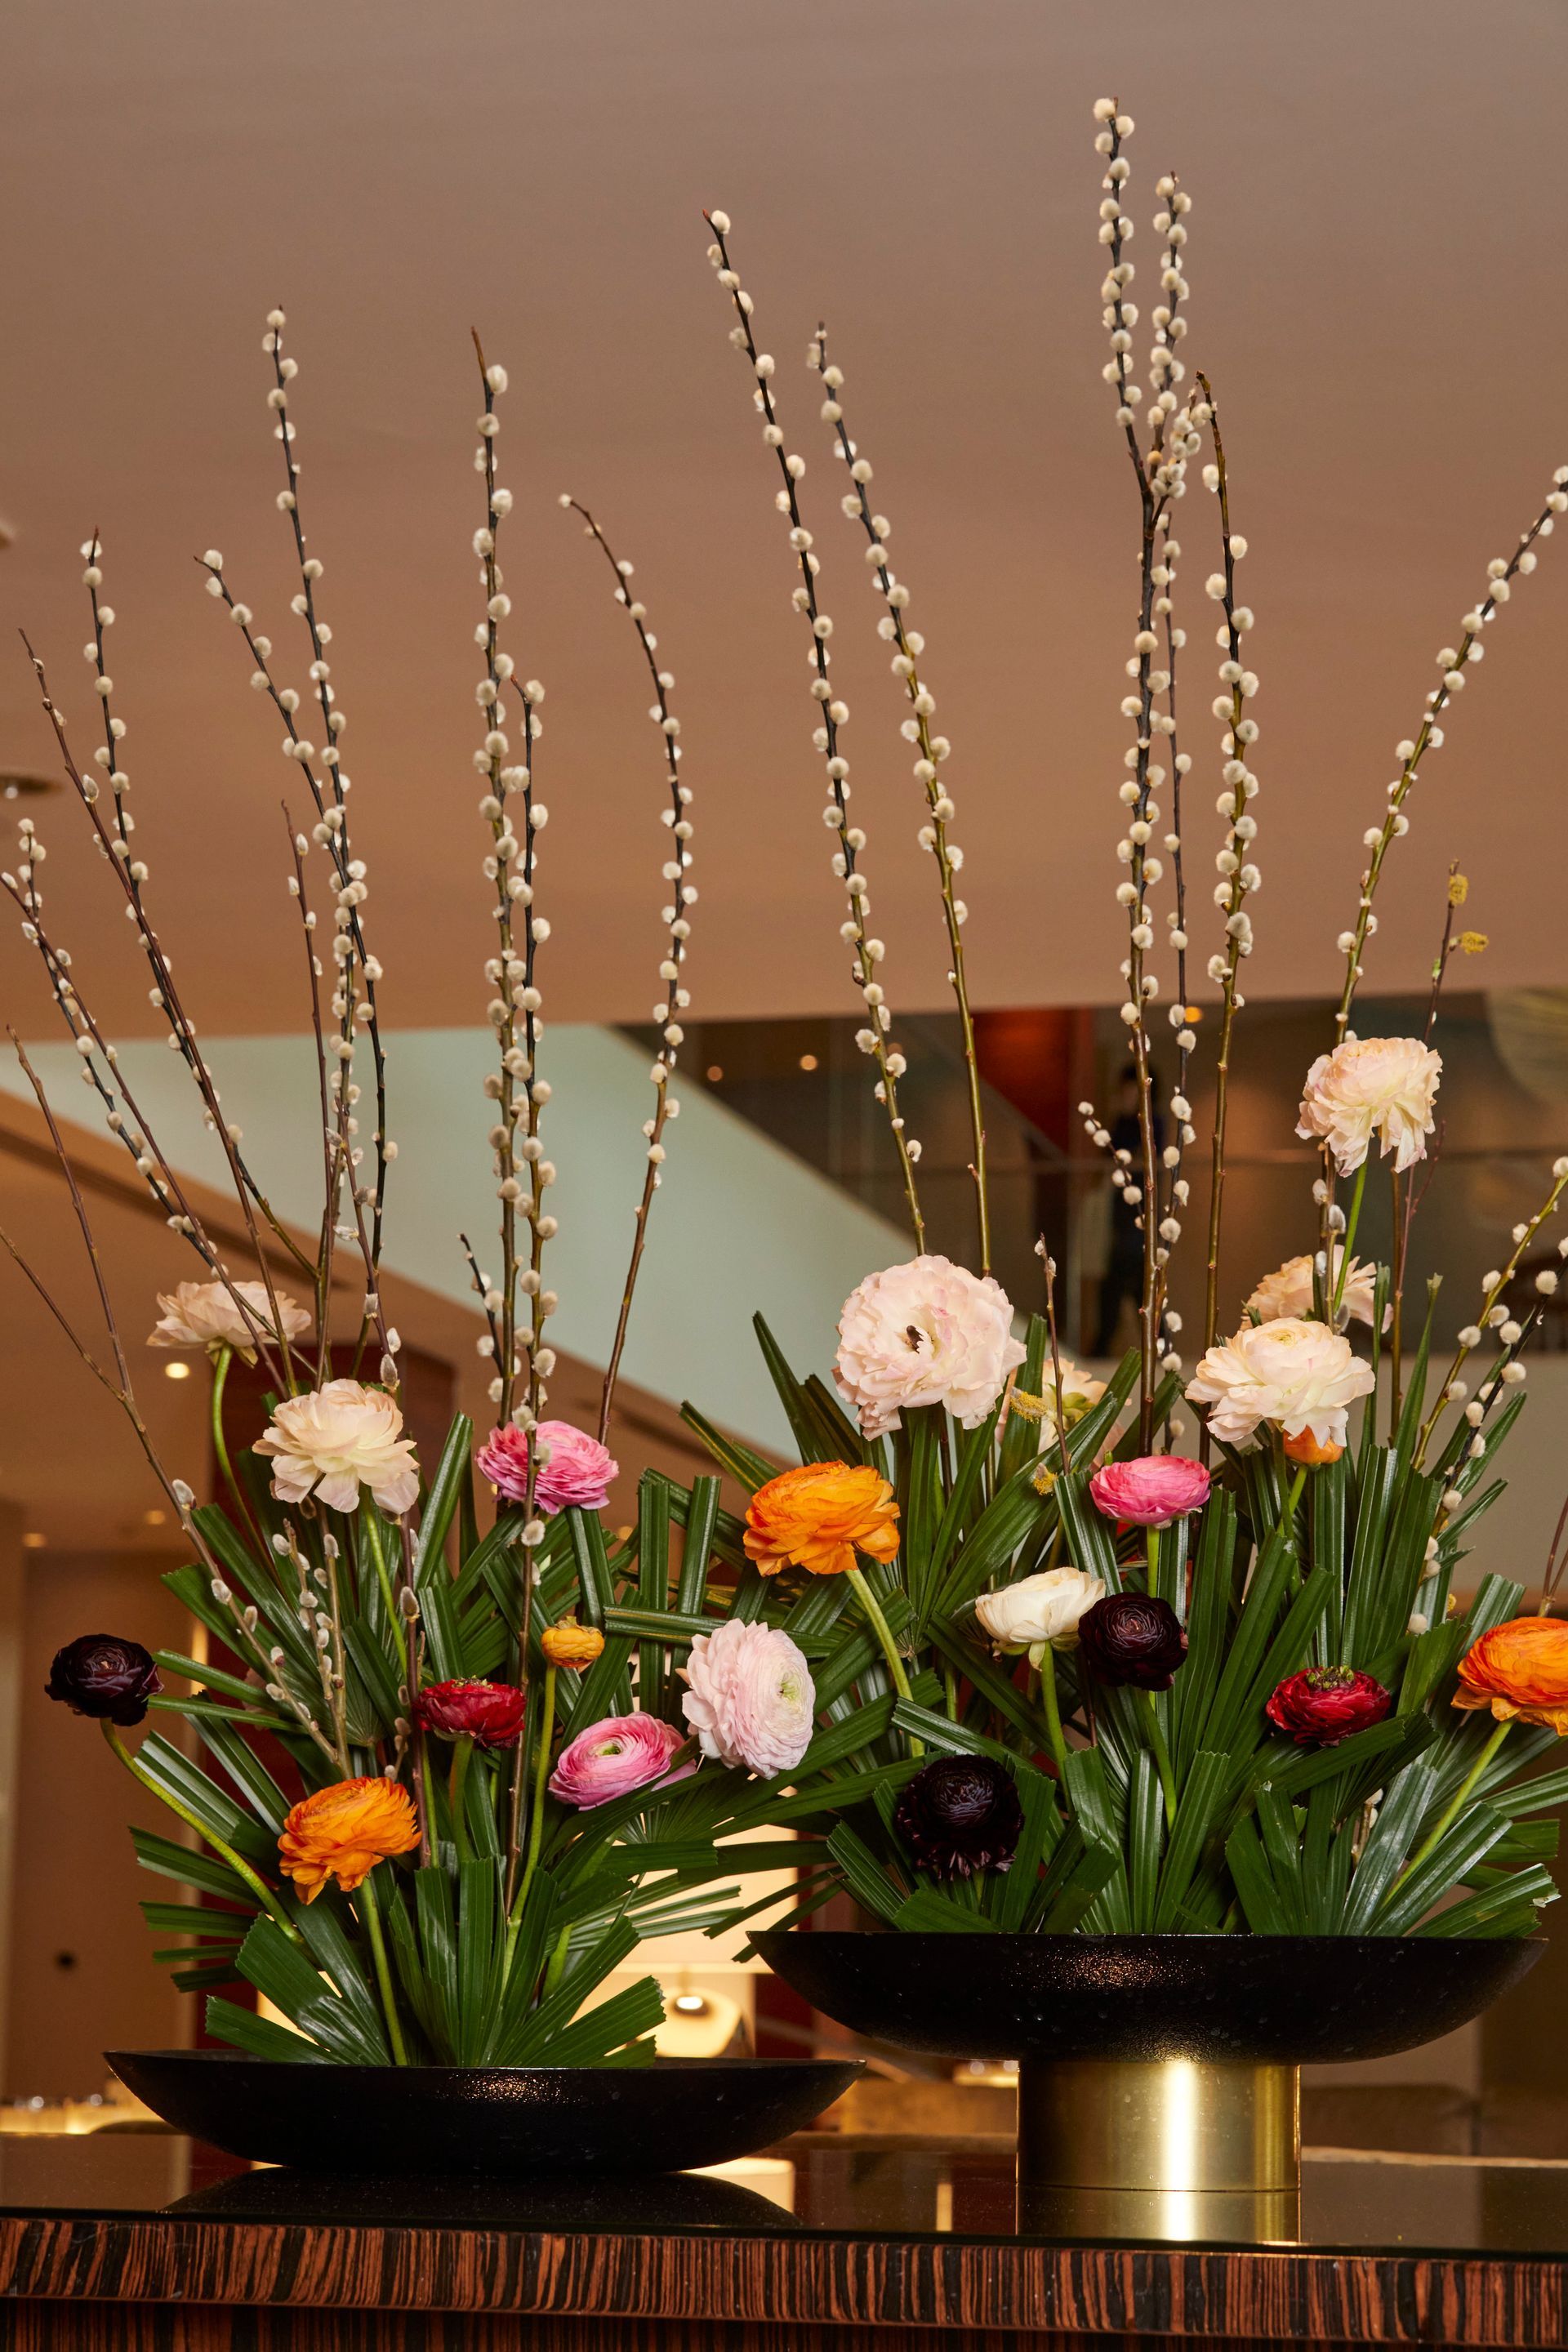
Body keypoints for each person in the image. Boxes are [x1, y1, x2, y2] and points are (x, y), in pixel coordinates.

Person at [1094, 1065, 1163, 1356]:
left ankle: (1158, 1349)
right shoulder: (1121, 1123)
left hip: (1140, 1215)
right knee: (1122, 1284)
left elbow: (1144, 1159)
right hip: (1120, 1213)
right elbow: (1107, 1156)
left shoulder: (1152, 1122)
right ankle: (1156, 1348)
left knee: (1131, 1283)